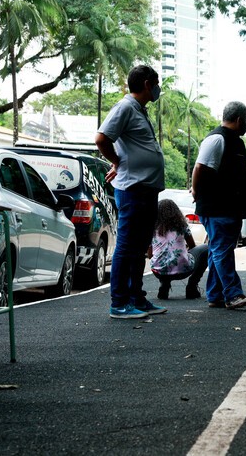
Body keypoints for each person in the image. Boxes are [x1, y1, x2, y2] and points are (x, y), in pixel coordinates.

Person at [95, 65, 167, 319]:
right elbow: (102, 138)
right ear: (147, 84)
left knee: (139, 247)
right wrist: (117, 162)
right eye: (156, 82)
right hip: (133, 188)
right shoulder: (125, 107)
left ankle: (137, 298)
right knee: (127, 247)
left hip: (146, 188)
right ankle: (119, 303)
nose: (157, 88)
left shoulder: (139, 110)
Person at [191, 101, 246, 310]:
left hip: (230, 208)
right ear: (239, 119)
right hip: (217, 207)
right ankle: (233, 294)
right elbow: (199, 167)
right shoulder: (217, 139)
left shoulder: (236, 142)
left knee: (218, 250)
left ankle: (215, 294)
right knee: (221, 250)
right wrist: (195, 190)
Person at [148, 199, 208, 300]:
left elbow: (150, 255)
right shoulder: (182, 226)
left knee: (162, 260)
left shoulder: (151, 229)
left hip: (158, 271)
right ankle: (192, 286)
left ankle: (164, 283)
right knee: (206, 249)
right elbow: (192, 246)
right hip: (183, 271)